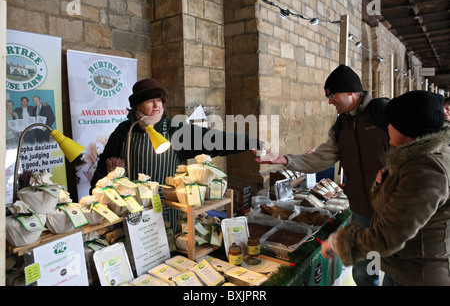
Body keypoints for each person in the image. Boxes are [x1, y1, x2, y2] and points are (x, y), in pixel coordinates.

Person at [254, 64, 390, 286]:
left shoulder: (383, 112)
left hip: (392, 210)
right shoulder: (340, 126)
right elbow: (319, 159)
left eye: (332, 95)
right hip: (363, 213)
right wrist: (284, 160)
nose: (330, 101)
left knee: (395, 272)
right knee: (364, 273)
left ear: (351, 92)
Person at [321, 90, 450, 286]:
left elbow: (387, 236)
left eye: (393, 123)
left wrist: (340, 242)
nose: (388, 127)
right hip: (402, 268)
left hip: (418, 276)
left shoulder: (426, 171)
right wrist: (385, 184)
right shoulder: (415, 161)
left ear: (408, 129)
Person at [90, 78, 261, 226]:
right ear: (137, 105)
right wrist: (98, 193)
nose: (157, 105)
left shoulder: (174, 129)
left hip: (166, 209)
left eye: (159, 100)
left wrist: (250, 142)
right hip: (131, 211)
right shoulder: (124, 131)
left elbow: (214, 139)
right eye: (150, 101)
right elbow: (104, 164)